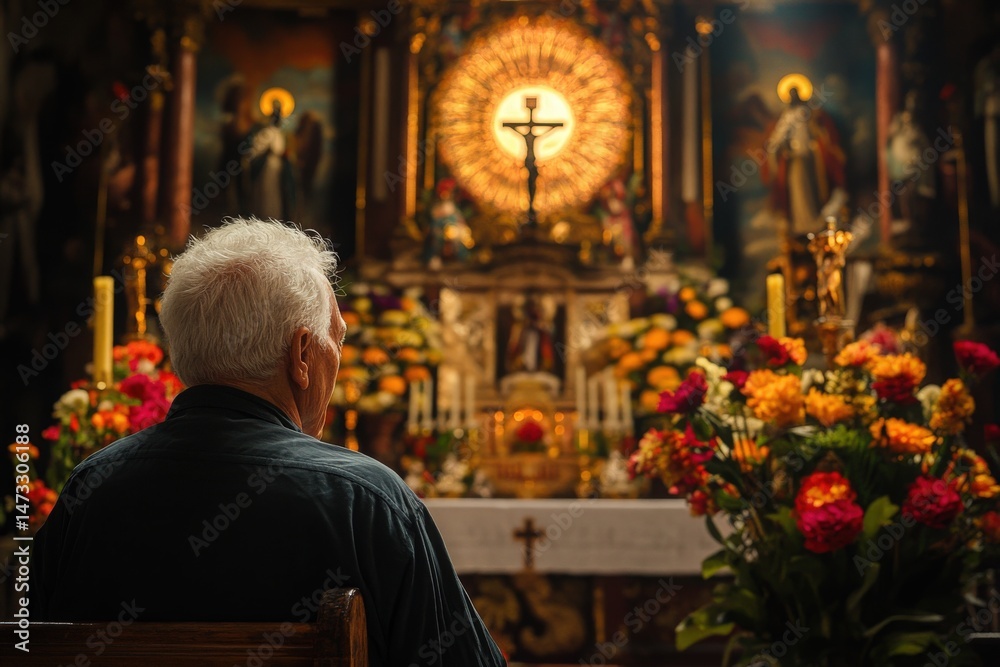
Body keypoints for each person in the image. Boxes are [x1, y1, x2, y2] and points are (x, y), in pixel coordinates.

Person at [32, 218, 506, 667]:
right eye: (335, 340)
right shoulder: (366, 501)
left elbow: (27, 643)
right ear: (302, 354)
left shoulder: (88, 489)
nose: (337, 359)